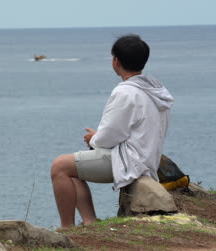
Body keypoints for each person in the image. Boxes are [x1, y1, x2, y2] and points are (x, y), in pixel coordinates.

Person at [50, 34, 174, 227]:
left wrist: (93, 138)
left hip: (128, 160)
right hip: (147, 157)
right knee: (72, 167)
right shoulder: (156, 90)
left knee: (59, 167)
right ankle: (90, 221)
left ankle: (67, 228)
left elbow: (108, 137)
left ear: (116, 61)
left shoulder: (125, 92)